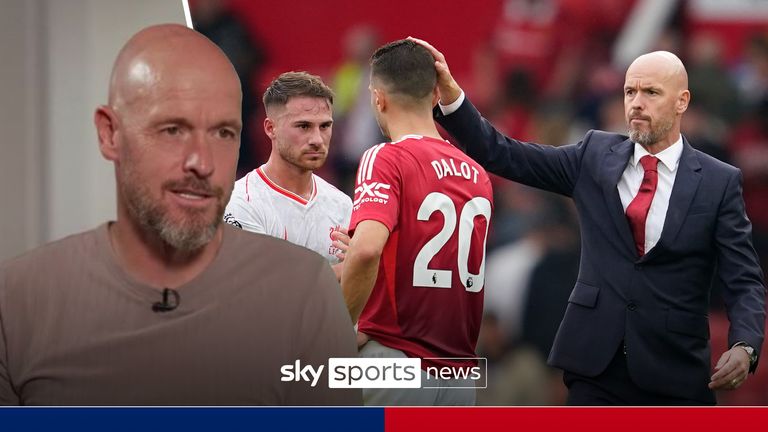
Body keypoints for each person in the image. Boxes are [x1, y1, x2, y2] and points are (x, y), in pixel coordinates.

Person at [0, 24, 360, 406]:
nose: (201, 163)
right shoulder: (19, 305)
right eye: (172, 129)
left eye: (223, 133)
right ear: (110, 134)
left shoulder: (312, 287)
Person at [411, 37, 766, 405]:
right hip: (594, 368)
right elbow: (502, 153)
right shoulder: (594, 154)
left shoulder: (718, 181)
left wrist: (745, 345)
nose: (636, 103)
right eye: (630, 92)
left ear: (682, 102)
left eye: (651, 92)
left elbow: (744, 280)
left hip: (674, 372)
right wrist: (453, 99)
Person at [341, 39, 494, 405]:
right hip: (459, 376)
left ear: (378, 99)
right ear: (436, 94)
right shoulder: (476, 173)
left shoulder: (386, 158)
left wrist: (334, 334)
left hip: (394, 358)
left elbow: (365, 252)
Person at [224, 72, 352, 281]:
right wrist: (352, 267)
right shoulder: (241, 203)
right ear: (270, 128)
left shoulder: (342, 205)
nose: (317, 139)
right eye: (303, 126)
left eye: (325, 126)